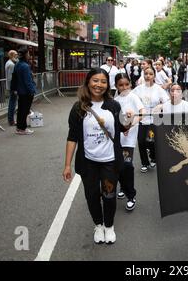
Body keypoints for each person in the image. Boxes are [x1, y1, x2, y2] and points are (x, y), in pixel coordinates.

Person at [62, 68, 132, 244]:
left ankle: (109, 227)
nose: (98, 85)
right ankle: (98, 225)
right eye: (95, 80)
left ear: (107, 85)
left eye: (103, 81)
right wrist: (67, 165)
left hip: (110, 162)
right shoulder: (79, 108)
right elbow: (72, 138)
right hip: (88, 164)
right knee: (92, 196)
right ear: (88, 82)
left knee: (109, 195)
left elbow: (123, 128)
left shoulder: (114, 105)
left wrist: (128, 119)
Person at [114, 73, 144, 211]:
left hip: (129, 137)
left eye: (126, 84)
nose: (124, 87)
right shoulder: (116, 99)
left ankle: (131, 195)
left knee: (127, 164)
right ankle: (123, 187)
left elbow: (142, 113)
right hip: (117, 138)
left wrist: (130, 126)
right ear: (116, 86)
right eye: (121, 85)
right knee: (118, 165)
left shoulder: (133, 97)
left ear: (130, 84)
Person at [132, 65, 169, 173]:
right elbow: (130, 99)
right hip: (142, 120)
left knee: (151, 142)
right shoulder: (138, 89)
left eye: (150, 74)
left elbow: (166, 101)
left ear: (154, 76)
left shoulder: (159, 89)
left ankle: (153, 157)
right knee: (141, 141)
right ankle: (144, 163)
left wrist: (160, 106)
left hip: (154, 120)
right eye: (146, 74)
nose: (148, 76)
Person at [14, 47, 36, 135]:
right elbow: (27, 81)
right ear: (25, 55)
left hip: (20, 90)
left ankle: (19, 128)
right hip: (26, 92)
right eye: (28, 54)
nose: (29, 55)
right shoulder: (25, 66)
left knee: (21, 110)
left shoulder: (18, 64)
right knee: (25, 110)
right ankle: (23, 128)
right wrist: (32, 91)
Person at [5, 50, 18, 126]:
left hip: (11, 86)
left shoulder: (9, 63)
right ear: (12, 55)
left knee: (12, 103)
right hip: (12, 87)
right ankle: (11, 120)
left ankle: (11, 120)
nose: (17, 56)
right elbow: (11, 78)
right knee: (12, 104)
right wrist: (14, 88)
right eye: (16, 54)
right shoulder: (11, 64)